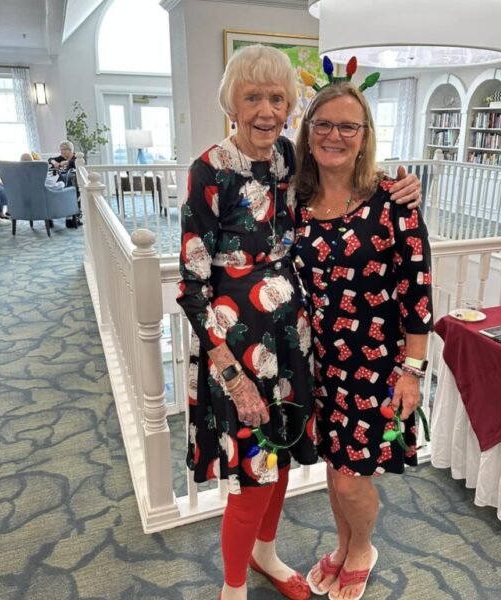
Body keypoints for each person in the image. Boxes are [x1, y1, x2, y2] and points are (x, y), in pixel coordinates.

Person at [177, 45, 423, 600]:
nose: (266, 110)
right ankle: (232, 588)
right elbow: (192, 286)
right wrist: (232, 377)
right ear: (231, 103)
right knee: (253, 473)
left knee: (281, 457)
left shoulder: (290, 161)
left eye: (277, 98)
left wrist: (401, 186)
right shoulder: (208, 171)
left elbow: (351, 177)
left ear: (290, 107)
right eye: (253, 97)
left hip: (295, 344)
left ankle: (266, 554)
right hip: (236, 349)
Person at [293, 79, 433, 600]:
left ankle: (363, 548)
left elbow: (419, 292)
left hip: (375, 368)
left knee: (353, 476)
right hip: (319, 364)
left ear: (364, 134)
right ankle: (345, 543)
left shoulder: (395, 202)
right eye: (323, 124)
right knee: (334, 465)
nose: (334, 135)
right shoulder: (297, 203)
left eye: (348, 125)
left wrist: (413, 371)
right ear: (307, 134)